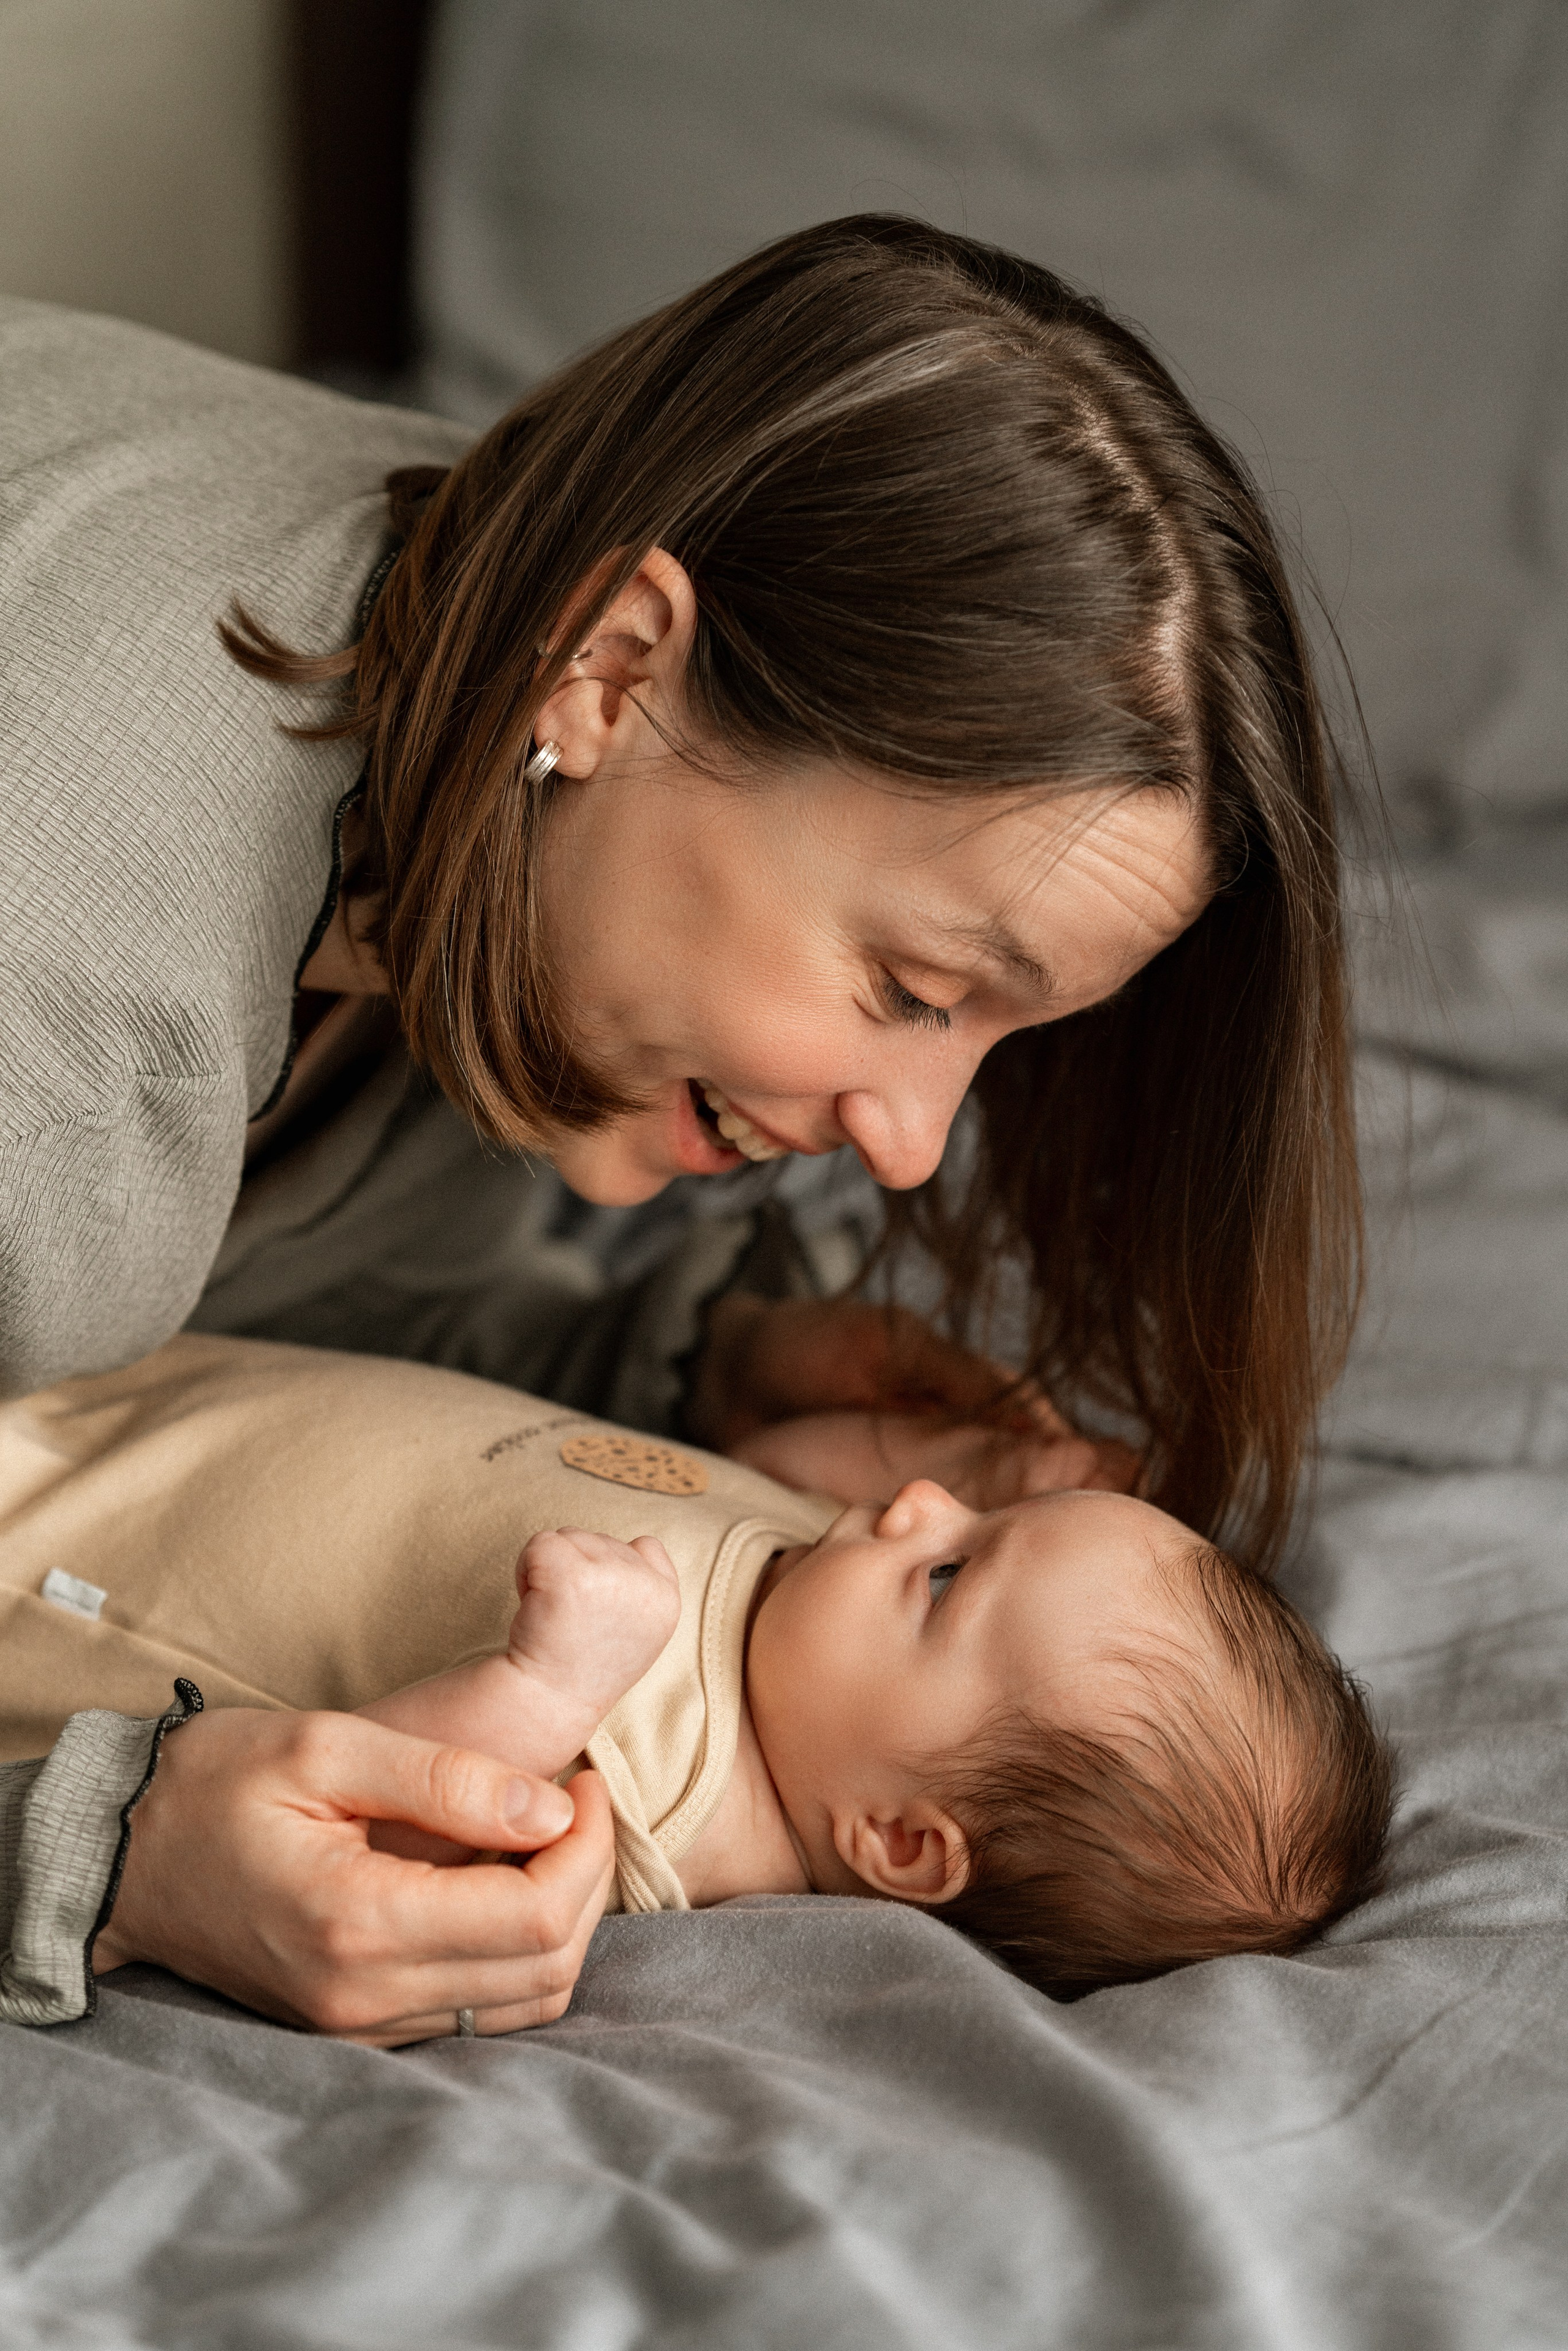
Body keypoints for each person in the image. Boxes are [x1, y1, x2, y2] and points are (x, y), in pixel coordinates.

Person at [0, 216, 1361, 2039]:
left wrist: (677, 1365)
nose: (908, 1144)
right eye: (913, 985)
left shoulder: (475, 670)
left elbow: (223, 1297)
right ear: (617, 668)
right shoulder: (55, 1052)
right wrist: (102, 1848)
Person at [0, 1335, 1391, 2029]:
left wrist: (542, 1688)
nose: (917, 1505)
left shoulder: (682, 1797)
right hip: (161, 1384)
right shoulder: (824, 1618)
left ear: (899, 1842)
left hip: (68, 1549)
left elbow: (394, 1832)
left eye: (951, 1572)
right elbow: (756, 1467)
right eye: (980, 1510)